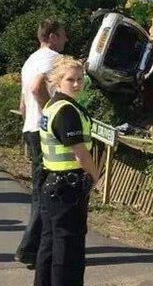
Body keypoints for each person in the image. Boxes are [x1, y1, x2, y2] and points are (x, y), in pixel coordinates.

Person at [34, 55, 99, 286]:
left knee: (49, 246)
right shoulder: (66, 111)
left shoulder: (51, 106)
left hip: (52, 183)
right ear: (57, 81)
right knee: (68, 251)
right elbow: (80, 153)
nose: (77, 84)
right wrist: (95, 176)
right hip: (67, 187)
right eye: (70, 79)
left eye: (80, 79)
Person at [15, 19, 68, 267]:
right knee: (45, 193)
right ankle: (29, 249)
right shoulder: (52, 59)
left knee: (41, 190)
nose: (66, 39)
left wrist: (31, 119)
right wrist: (52, 113)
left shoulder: (31, 60)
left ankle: (35, 247)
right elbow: (37, 89)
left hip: (31, 128)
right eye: (63, 35)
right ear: (52, 36)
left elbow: (23, 100)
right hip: (42, 131)